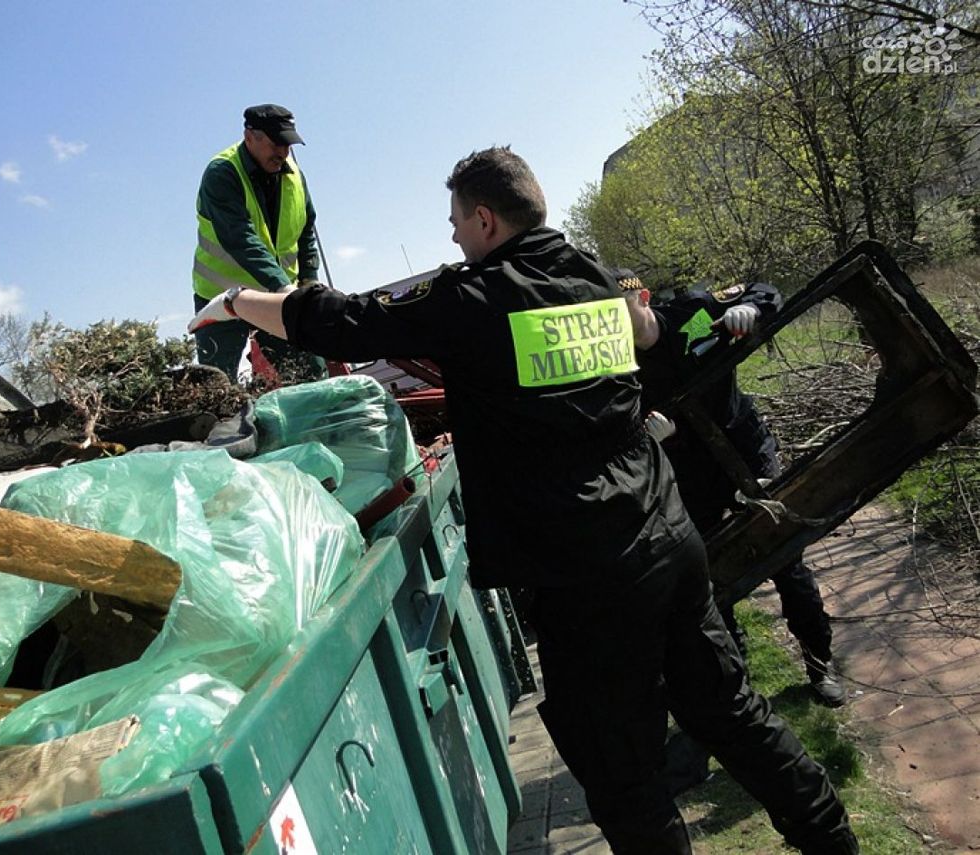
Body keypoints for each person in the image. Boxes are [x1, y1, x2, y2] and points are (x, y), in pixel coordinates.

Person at [190, 146, 859, 854]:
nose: (452, 235)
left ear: (485, 219)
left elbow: (345, 320)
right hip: (665, 533)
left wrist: (235, 304)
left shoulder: (472, 298)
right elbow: (656, 334)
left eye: (456, 220)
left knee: (622, 774)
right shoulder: (598, 279)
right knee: (733, 711)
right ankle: (833, 841)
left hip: (584, 572)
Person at [621, 276, 846, 708]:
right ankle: (736, 683)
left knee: (786, 558)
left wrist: (752, 309)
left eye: (618, 305)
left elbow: (764, 289)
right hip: (692, 472)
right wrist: (650, 438)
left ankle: (820, 664)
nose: (612, 318)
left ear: (642, 297)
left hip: (746, 450)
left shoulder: (692, 313)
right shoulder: (619, 366)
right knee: (710, 575)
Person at [190, 103, 325, 381]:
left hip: (278, 293)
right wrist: (284, 288)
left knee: (308, 371)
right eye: (276, 144)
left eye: (288, 144)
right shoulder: (222, 173)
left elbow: (305, 231)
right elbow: (240, 238)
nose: (283, 152)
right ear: (249, 137)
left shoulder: (294, 176)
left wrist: (309, 281)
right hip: (221, 299)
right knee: (218, 384)